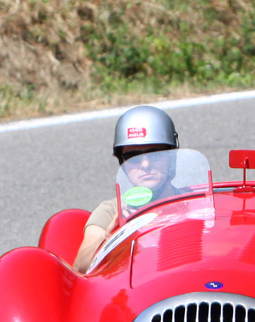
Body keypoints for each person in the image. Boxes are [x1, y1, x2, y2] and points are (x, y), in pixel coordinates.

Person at [73, 105, 180, 273]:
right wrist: (113, 233)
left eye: (156, 154)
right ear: (122, 163)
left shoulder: (194, 201)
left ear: (171, 157)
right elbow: (80, 267)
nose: (145, 164)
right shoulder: (110, 211)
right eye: (133, 156)